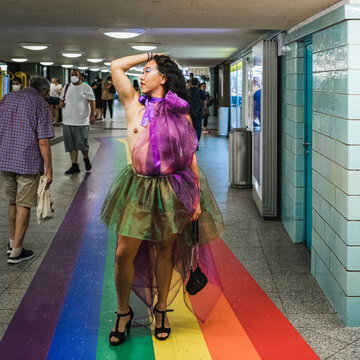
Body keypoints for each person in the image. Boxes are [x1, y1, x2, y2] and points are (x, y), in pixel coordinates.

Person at [101, 53, 223, 346]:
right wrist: (150, 55)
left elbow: (189, 157)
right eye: (142, 71)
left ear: (163, 78)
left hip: (172, 189)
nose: (141, 76)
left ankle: (161, 310)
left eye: (148, 71)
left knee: (164, 252)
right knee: (122, 253)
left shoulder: (181, 112)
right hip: (138, 187)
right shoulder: (133, 103)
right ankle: (123, 312)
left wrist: (194, 200)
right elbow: (116, 65)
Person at [0, 76, 54, 264]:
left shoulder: (7, 97)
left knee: (12, 202)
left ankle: (11, 241)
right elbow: (44, 141)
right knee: (24, 203)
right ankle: (17, 251)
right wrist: (49, 169)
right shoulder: (40, 103)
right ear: (44, 92)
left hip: (6, 160)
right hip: (27, 162)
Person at [59, 69, 96, 174]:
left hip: (81, 121)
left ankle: (85, 158)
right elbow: (61, 101)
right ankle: (74, 165)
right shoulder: (66, 87)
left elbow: (92, 101)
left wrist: (92, 115)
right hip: (67, 121)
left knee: (83, 144)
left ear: (80, 76)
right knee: (71, 145)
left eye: (75, 74)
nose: (73, 76)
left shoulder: (86, 87)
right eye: (71, 75)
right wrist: (61, 104)